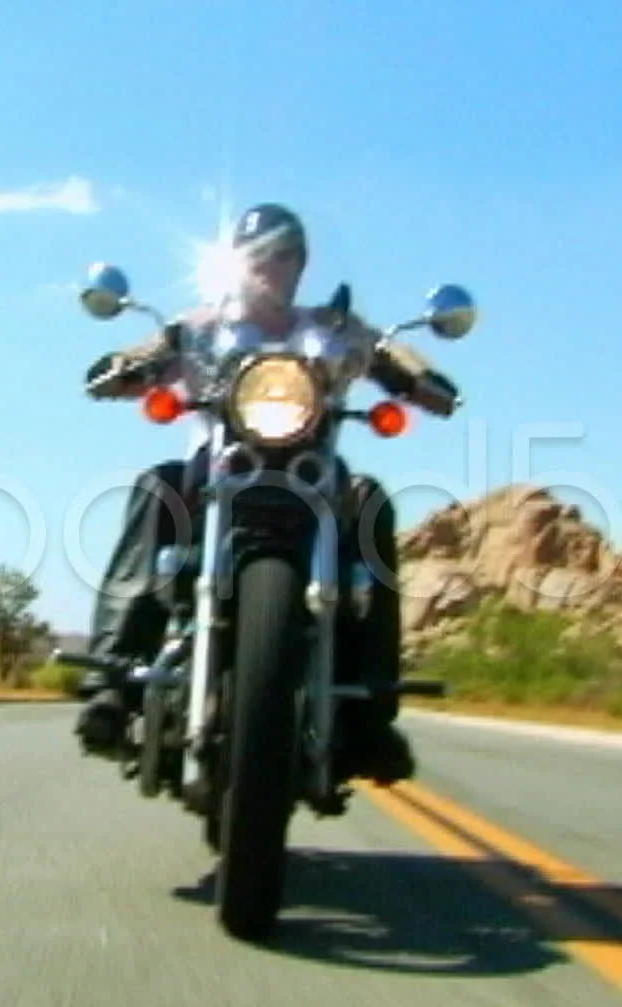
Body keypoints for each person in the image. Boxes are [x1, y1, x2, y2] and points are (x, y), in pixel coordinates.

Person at [72, 202, 459, 786]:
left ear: (300, 264)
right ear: (237, 260)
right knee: (159, 486)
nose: (270, 265)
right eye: (259, 253)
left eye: (284, 254)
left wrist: (421, 379)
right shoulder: (202, 325)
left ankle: (372, 711)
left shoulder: (332, 328)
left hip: (313, 472)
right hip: (218, 468)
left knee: (371, 500)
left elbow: (387, 354)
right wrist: (123, 367)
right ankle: (112, 680)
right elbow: (154, 351)